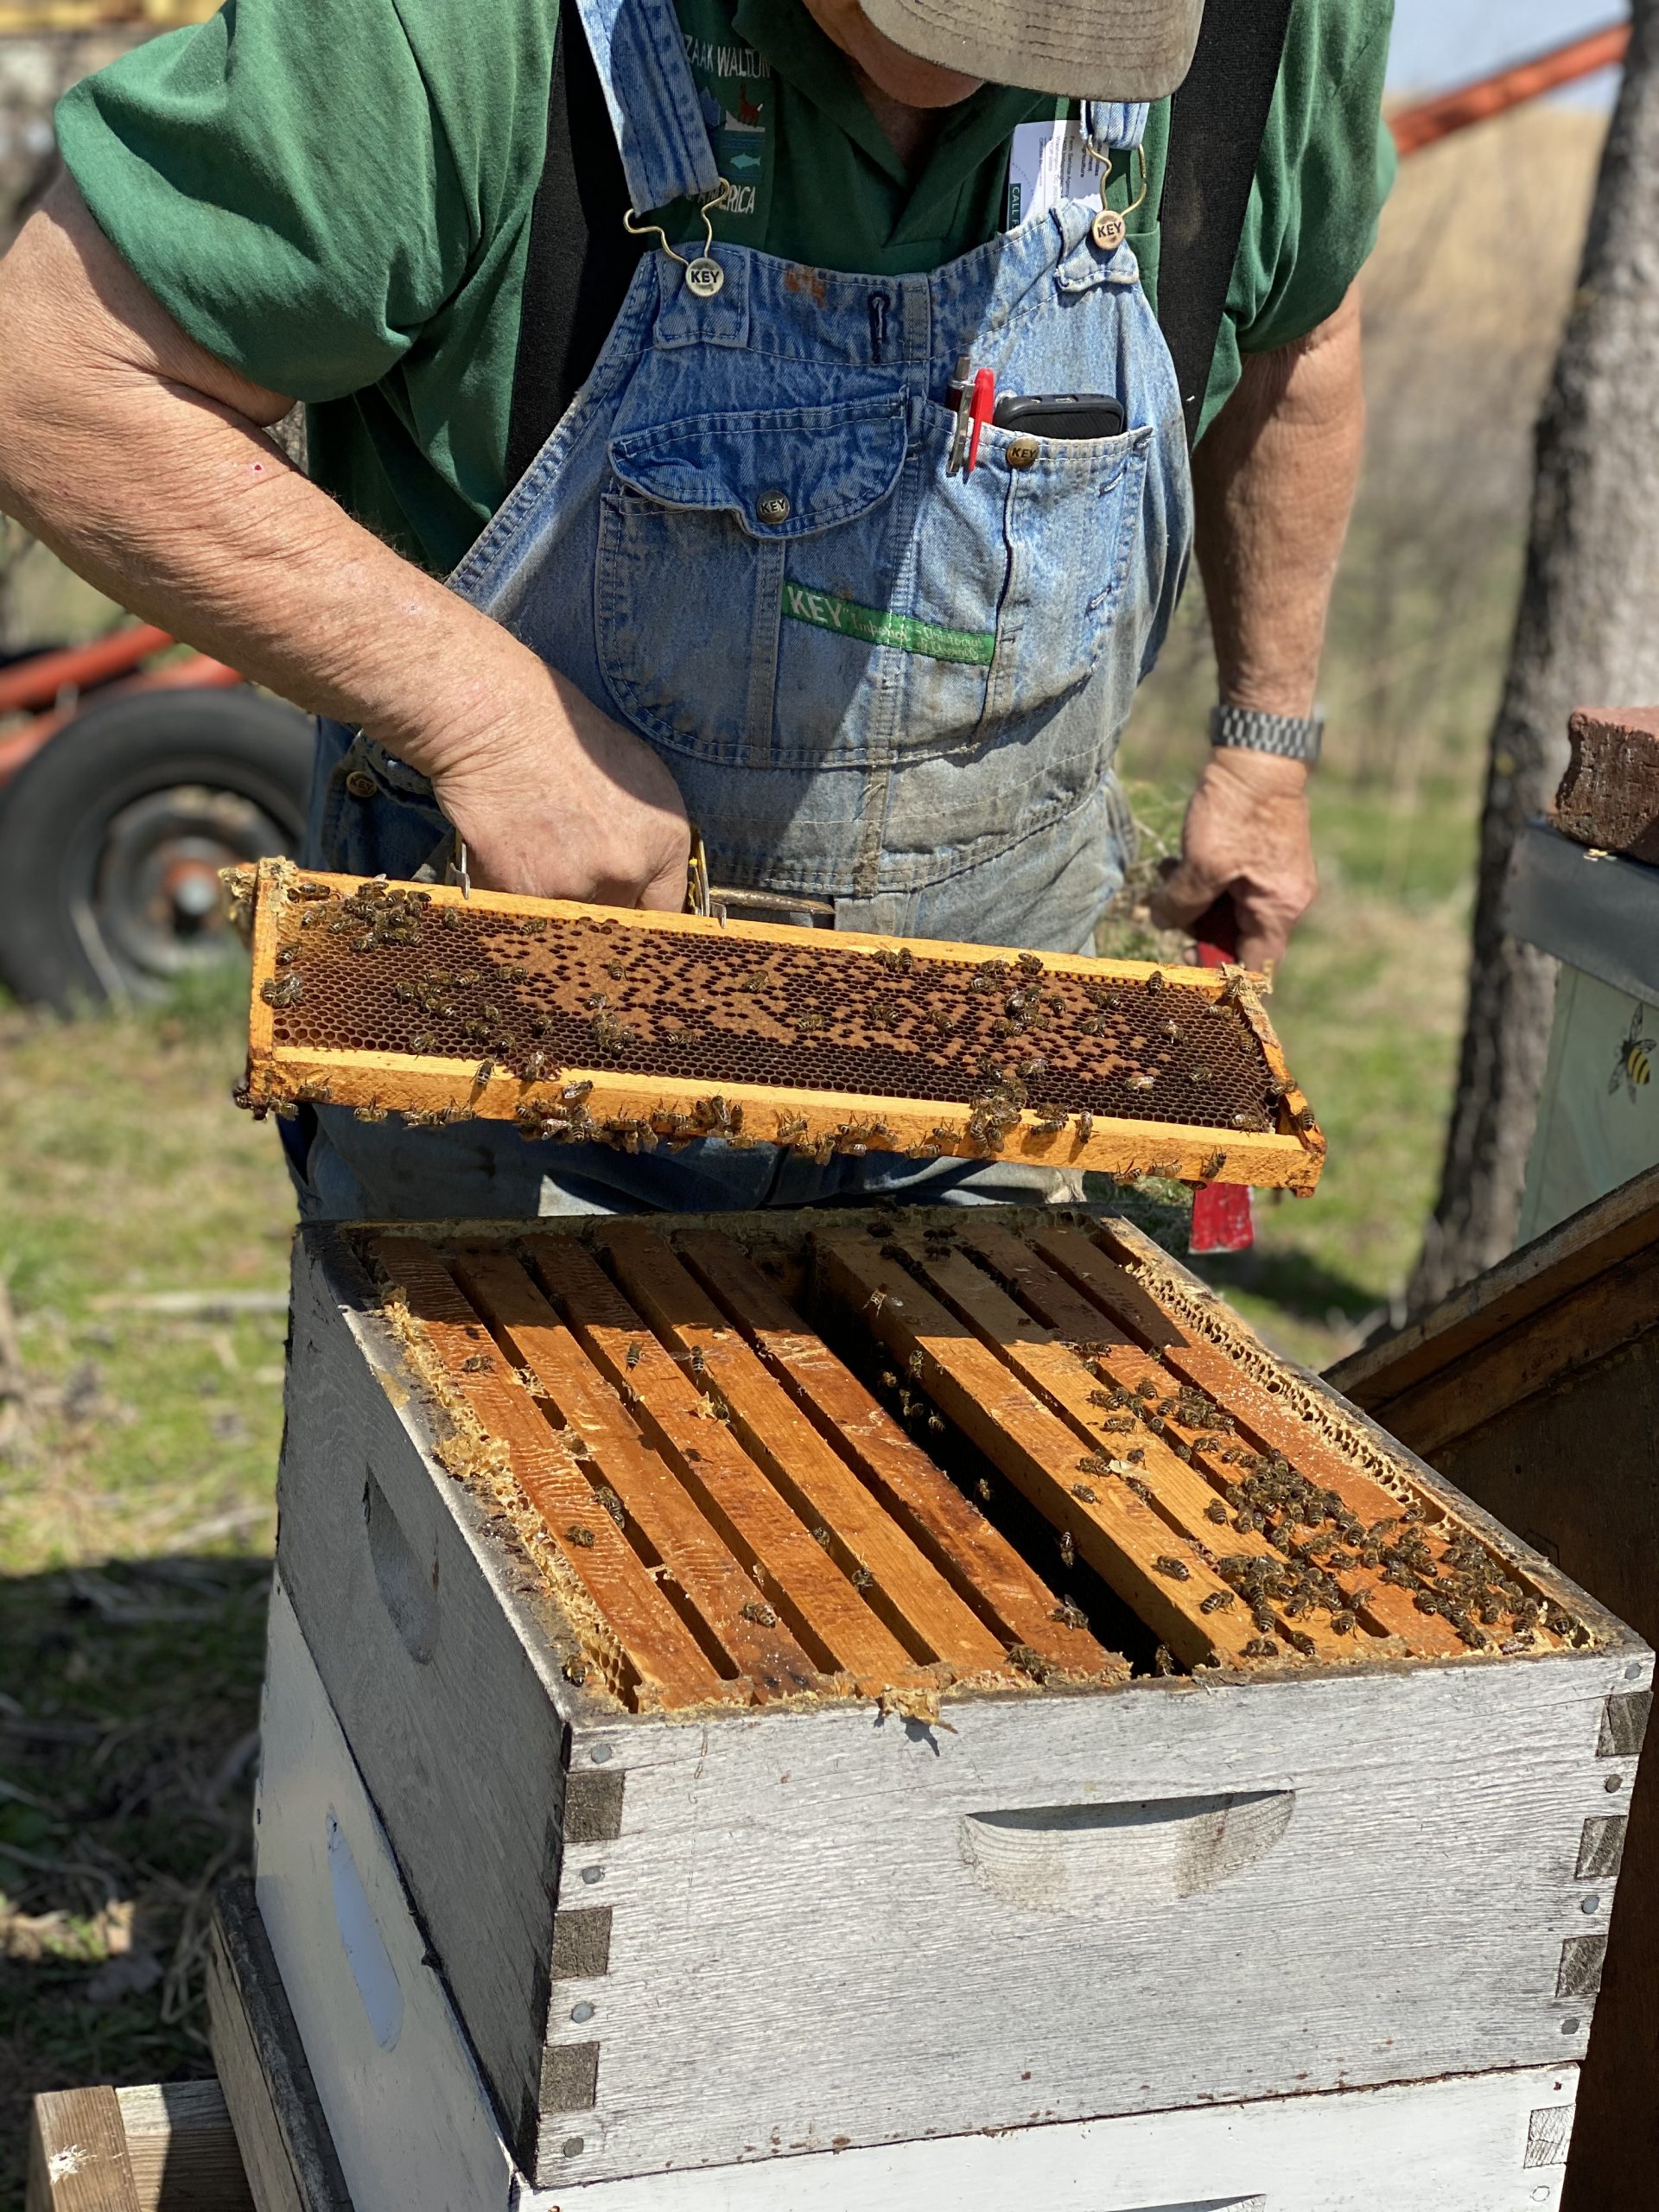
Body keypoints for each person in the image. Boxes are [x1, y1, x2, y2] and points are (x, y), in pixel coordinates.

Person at [0, 0, 1391, 1219]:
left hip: (995, 1087)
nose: (972, 74)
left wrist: (1265, 744)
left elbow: (1300, 335)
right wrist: (493, 721)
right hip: (515, 1066)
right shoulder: (451, 30)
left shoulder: (1268, 31)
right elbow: (55, 382)